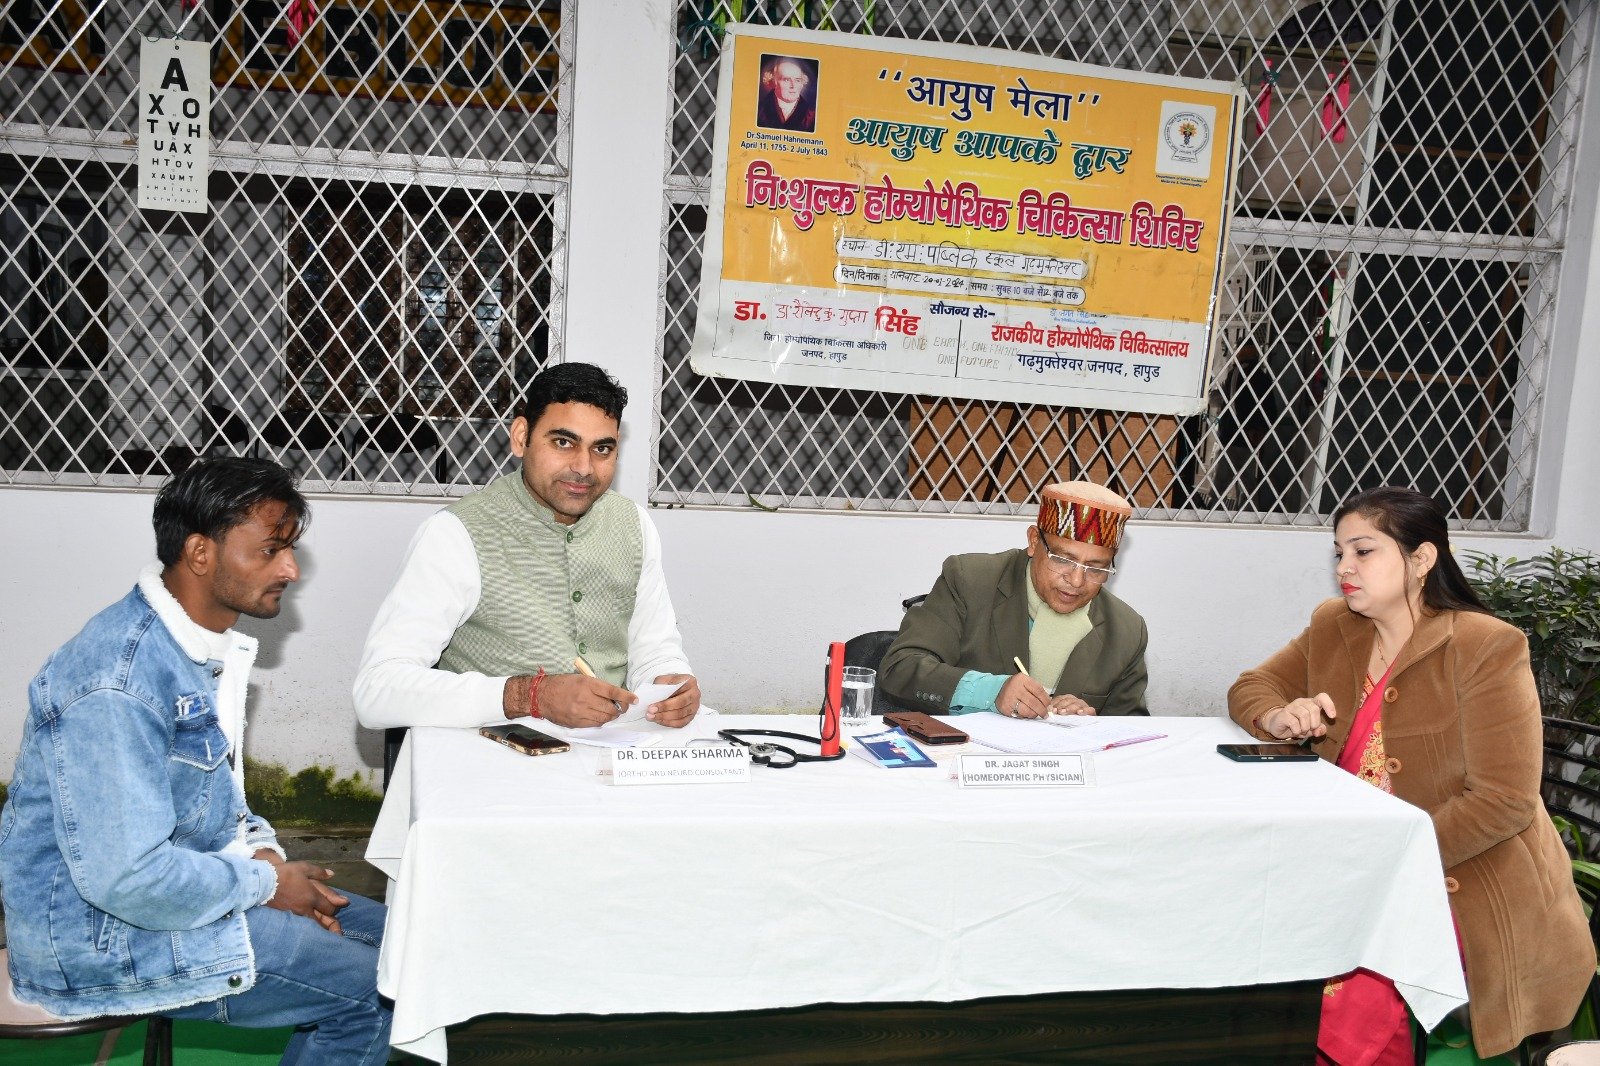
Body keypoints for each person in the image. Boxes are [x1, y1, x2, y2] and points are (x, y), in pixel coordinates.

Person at [0, 458, 391, 1064]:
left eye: (290, 549)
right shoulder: (117, 682)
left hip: (165, 906)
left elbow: (214, 805)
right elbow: (126, 879)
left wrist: (263, 855)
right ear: (200, 553)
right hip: (100, 940)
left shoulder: (194, 648)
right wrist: (267, 885)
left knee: (406, 947)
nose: (290, 569)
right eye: (270, 551)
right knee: (381, 992)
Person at [1228, 486, 1592, 1063]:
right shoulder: (1336, 625)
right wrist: (1278, 714)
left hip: (1458, 872)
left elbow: (1503, 801)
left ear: (1421, 559)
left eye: (1363, 551)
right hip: (1348, 856)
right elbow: (1252, 685)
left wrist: (1384, 865)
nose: (1344, 568)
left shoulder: (1485, 647)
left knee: (1345, 981)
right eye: (1339, 553)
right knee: (1245, 918)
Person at [354, 361, 700, 731]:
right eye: (563, 442)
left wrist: (669, 683)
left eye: (602, 448)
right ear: (521, 437)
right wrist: (529, 696)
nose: (584, 467)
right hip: (490, 754)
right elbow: (378, 690)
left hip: (610, 752)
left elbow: (654, 648)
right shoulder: (456, 533)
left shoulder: (633, 525)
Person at [880, 480, 1149, 718]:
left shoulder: (1126, 631)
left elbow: (1133, 733)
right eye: (1063, 559)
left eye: (1096, 568)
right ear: (1033, 541)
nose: (1077, 580)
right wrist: (990, 691)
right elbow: (900, 668)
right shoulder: (970, 581)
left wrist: (1091, 725)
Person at [756, 56, 817, 133]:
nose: (793, 86)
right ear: (774, 82)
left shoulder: (811, 114)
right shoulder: (759, 110)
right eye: (786, 80)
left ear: (802, 83)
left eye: (797, 80)